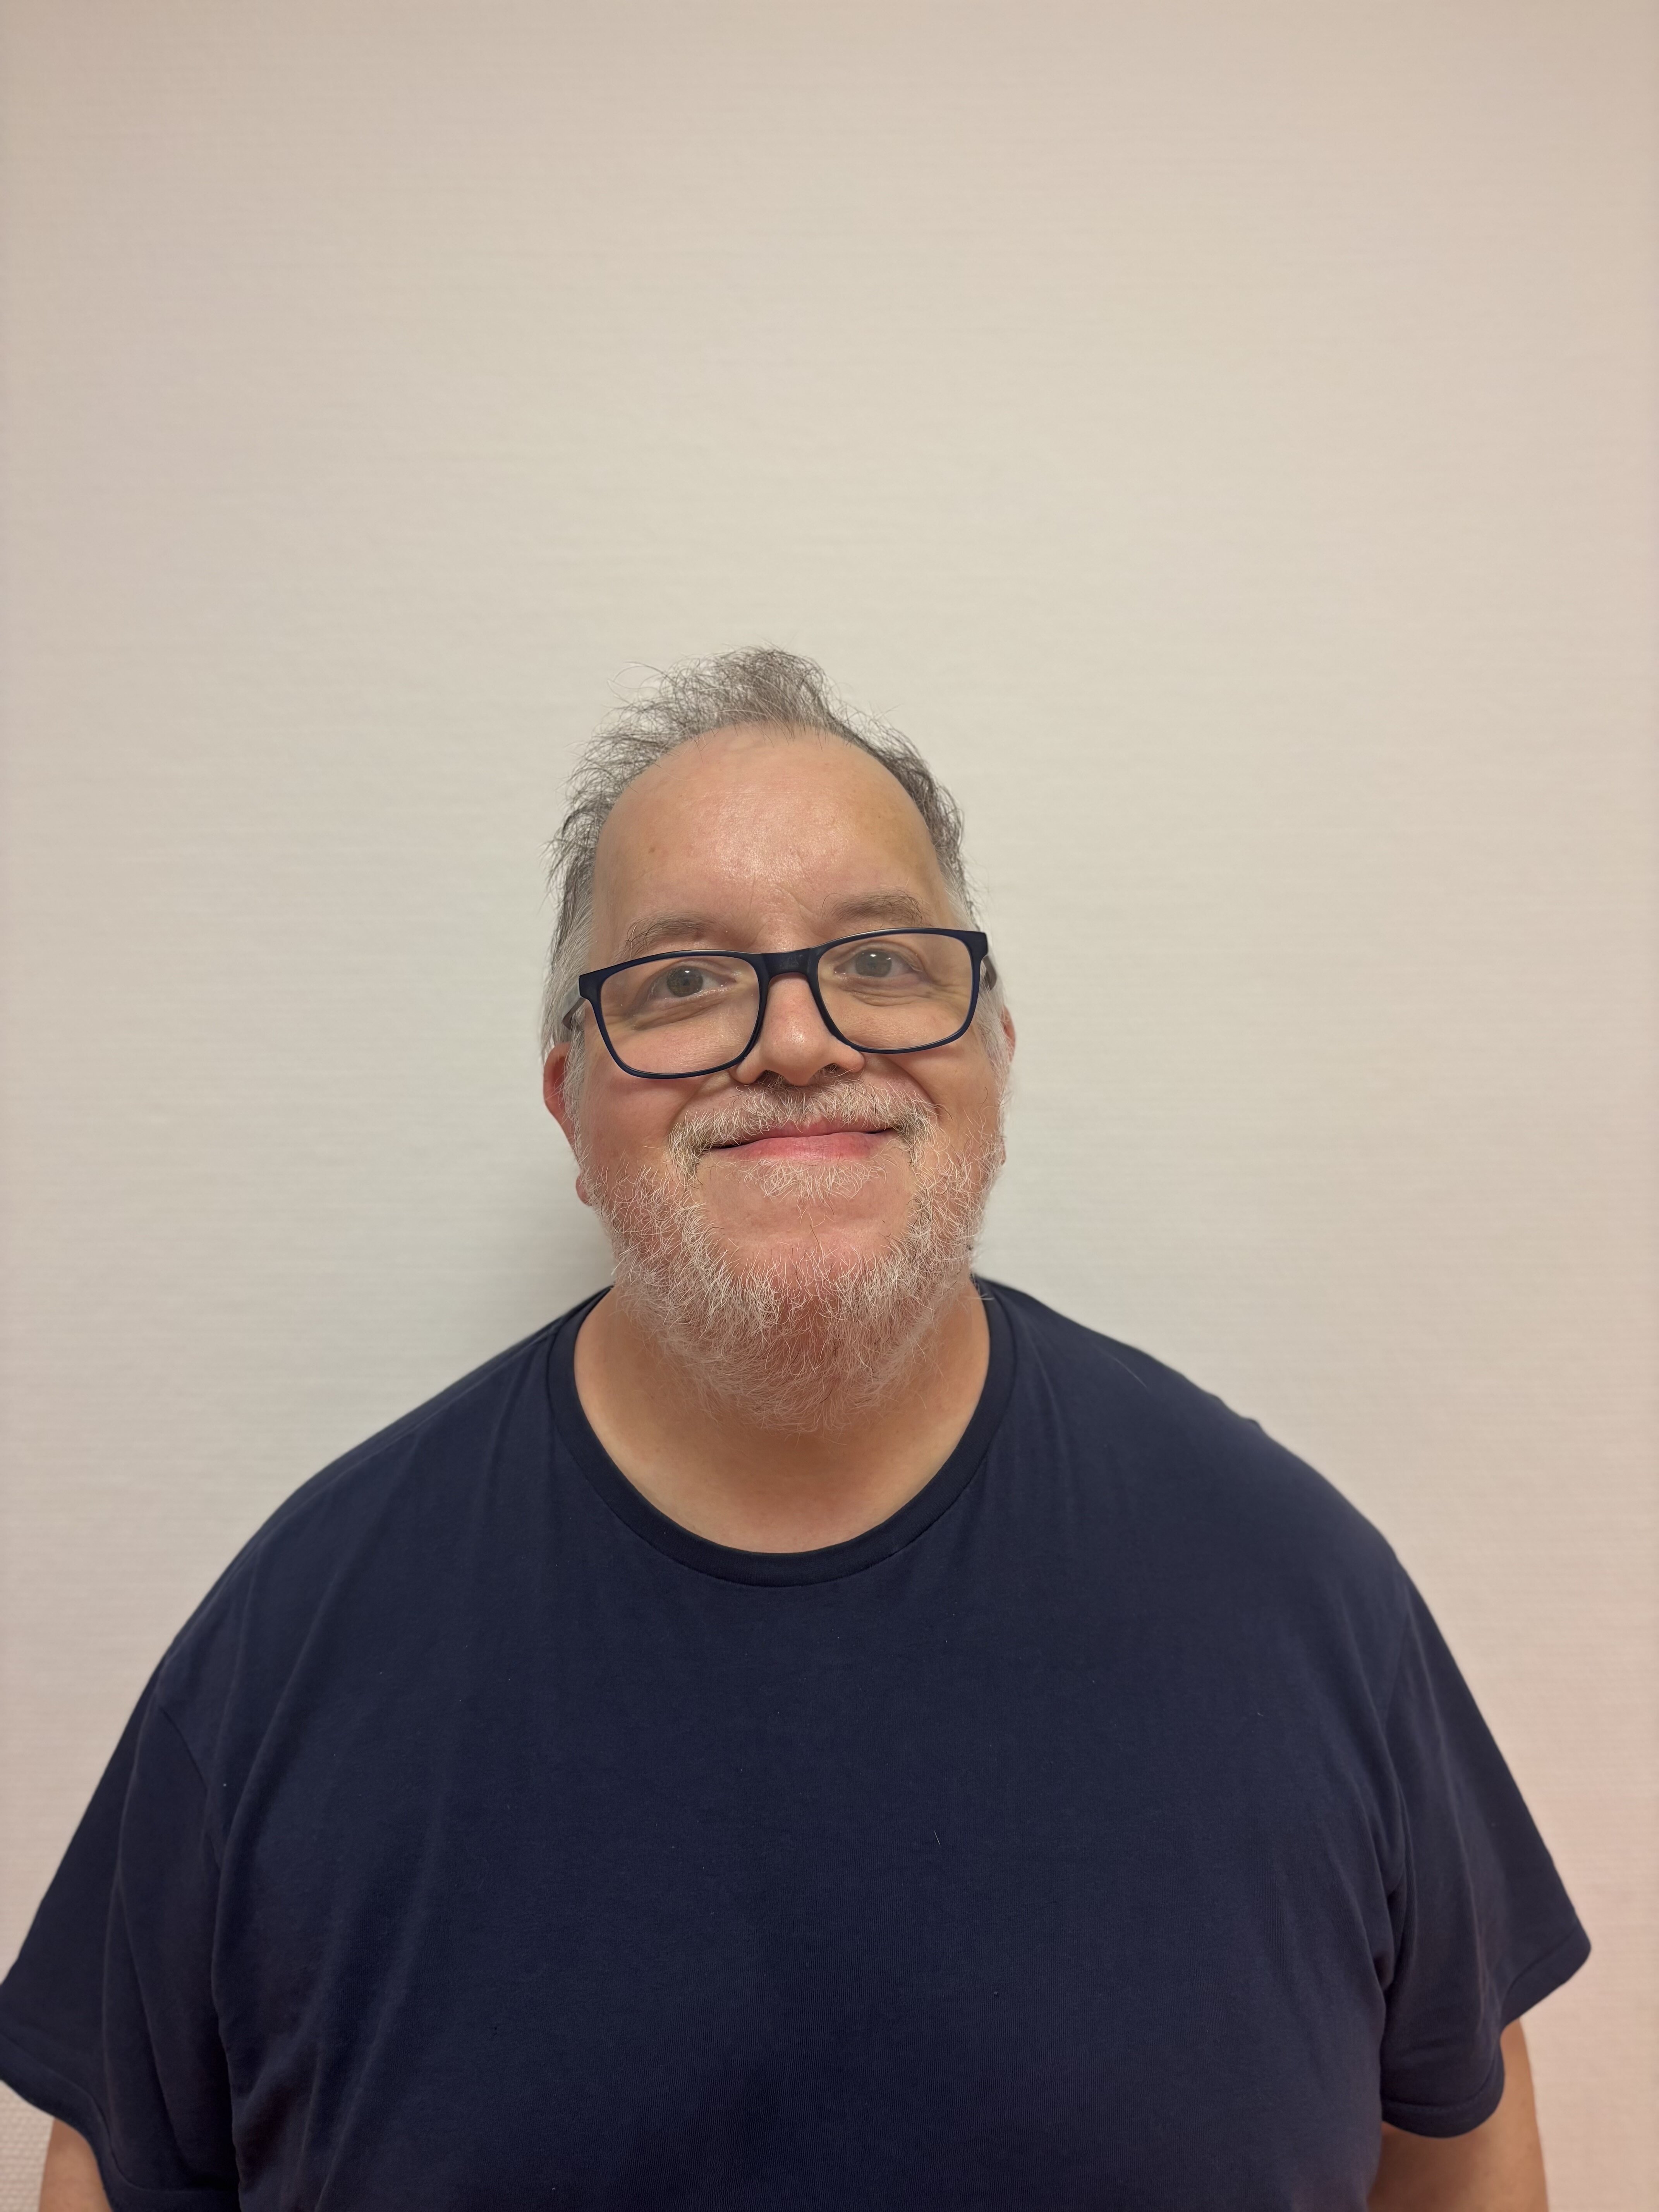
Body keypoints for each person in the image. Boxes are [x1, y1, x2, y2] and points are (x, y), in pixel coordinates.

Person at [2, 650, 1587, 2211]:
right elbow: (111, 2179)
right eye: (683, 981)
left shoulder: (1299, 1597)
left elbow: (1461, 2157)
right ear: (570, 1105)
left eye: (882, 960)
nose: (800, 1041)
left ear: (995, 1053)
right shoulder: (291, 1654)